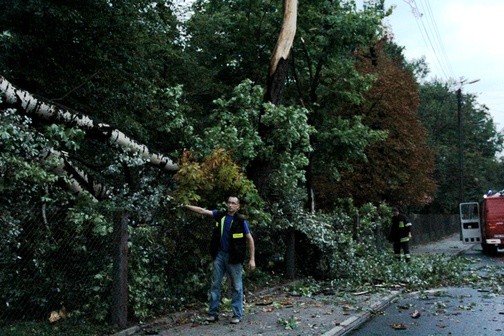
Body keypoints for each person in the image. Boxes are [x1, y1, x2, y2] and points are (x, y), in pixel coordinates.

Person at [185, 196, 255, 324]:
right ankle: (213, 313)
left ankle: (237, 314)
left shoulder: (240, 221)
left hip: (234, 258)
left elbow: (250, 239)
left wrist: (252, 259)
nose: (230, 205)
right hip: (220, 255)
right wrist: (185, 205)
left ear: (238, 206)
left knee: (237, 287)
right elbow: (202, 211)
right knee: (215, 284)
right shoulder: (220, 215)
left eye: (233, 203)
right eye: (229, 202)